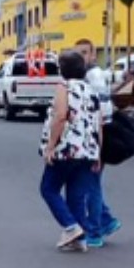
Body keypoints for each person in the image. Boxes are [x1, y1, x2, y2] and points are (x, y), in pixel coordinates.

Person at [39, 50, 102, 250]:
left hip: (67, 148)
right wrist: (99, 151)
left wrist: (50, 146)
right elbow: (99, 122)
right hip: (88, 149)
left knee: (48, 188)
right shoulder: (91, 90)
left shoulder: (63, 87)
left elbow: (60, 116)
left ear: (62, 70)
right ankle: (80, 240)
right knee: (76, 195)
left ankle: (71, 227)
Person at [78, 40, 122, 247]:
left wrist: (94, 145)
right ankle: (106, 220)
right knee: (90, 184)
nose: (82, 57)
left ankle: (94, 232)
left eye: (85, 53)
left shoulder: (92, 77)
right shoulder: (93, 75)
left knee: (90, 185)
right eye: (79, 53)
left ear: (94, 55)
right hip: (97, 135)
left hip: (97, 136)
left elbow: (97, 113)